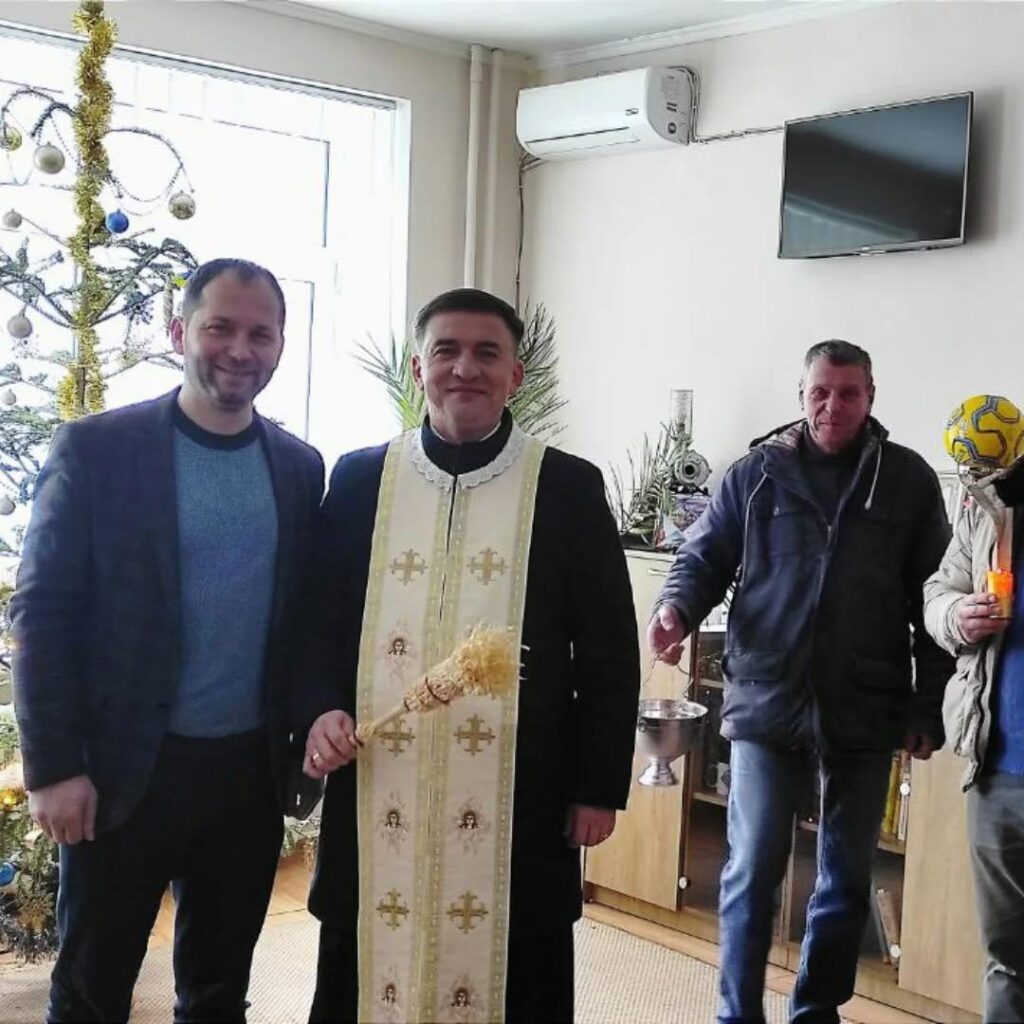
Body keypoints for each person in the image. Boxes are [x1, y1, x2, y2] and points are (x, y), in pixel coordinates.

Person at [295, 287, 640, 1024]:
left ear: (516, 374)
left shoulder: (567, 486)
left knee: (520, 963)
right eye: (446, 350)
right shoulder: (360, 480)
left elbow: (608, 650)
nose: (465, 368)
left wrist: (596, 786)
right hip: (381, 779)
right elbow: (317, 621)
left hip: (523, 789)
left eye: (487, 353)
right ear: (418, 368)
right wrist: (320, 709)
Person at [11, 258, 325, 1022]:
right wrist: (53, 768)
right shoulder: (97, 449)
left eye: (261, 334)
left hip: (246, 778)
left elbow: (304, 620)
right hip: (120, 775)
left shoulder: (298, 467)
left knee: (218, 993)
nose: (240, 350)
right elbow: (43, 611)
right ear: (180, 331)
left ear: (281, 345)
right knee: (90, 991)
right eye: (221, 328)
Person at [648, 340, 953, 1024]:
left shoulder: (906, 480)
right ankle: (737, 1015)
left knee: (844, 880)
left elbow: (932, 598)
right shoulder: (755, 474)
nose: (832, 405)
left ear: (870, 398)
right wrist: (675, 609)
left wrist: (926, 706)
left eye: (848, 393)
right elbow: (703, 557)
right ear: (801, 396)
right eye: (820, 391)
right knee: (752, 870)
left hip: (865, 704)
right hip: (766, 696)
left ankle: (815, 1011)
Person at [923, 416, 1024, 1022]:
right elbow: (938, 592)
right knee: (1006, 958)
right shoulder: (991, 507)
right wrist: (957, 616)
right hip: (998, 769)